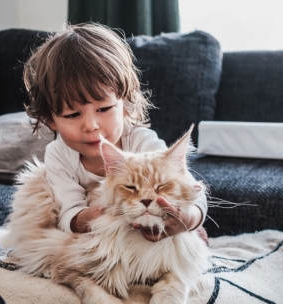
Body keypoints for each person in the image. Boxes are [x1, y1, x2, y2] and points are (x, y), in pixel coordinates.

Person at [23, 23, 207, 242]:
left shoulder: (141, 142)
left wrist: (190, 220)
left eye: (103, 109)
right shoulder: (59, 154)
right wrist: (104, 214)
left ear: (125, 107)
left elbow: (194, 193)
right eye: (73, 115)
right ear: (51, 120)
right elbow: (68, 216)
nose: (91, 125)